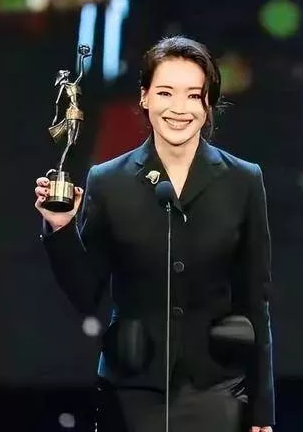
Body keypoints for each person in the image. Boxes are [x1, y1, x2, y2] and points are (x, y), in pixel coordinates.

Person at [34, 35, 275, 432]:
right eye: (165, 92)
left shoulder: (243, 180)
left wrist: (262, 412)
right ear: (145, 97)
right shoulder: (108, 181)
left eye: (193, 95)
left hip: (215, 392)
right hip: (129, 391)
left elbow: (255, 301)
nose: (179, 108)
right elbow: (86, 293)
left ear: (208, 104)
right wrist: (61, 228)